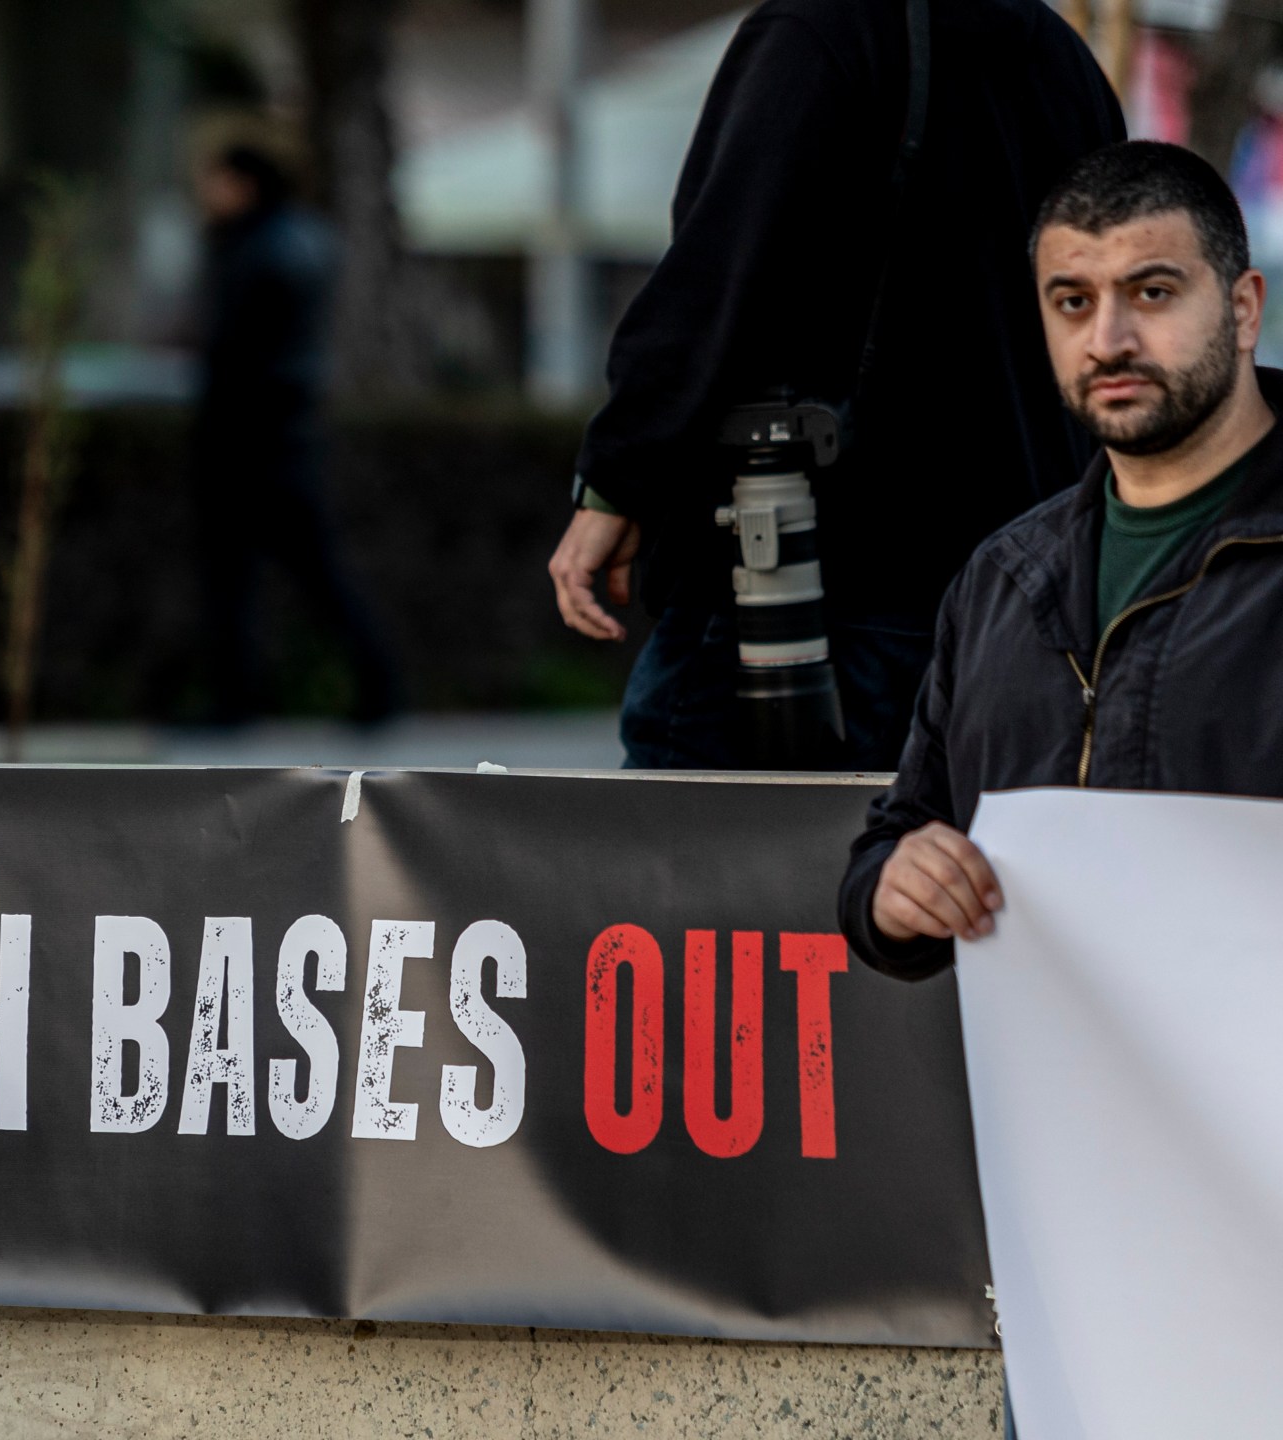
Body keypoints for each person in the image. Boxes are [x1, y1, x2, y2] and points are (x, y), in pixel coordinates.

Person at [841, 137, 1278, 1440]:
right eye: (1072, 301)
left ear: (1243, 306)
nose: (1110, 338)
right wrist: (894, 888)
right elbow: (895, 839)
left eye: (1153, 291)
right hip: (1082, 1250)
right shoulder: (1002, 580)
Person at [547, 0, 1125, 770]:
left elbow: (720, 279)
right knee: (924, 847)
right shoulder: (1061, 61)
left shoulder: (821, 30)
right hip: (1012, 600)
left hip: (798, 587)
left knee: (697, 840)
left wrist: (616, 483)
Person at [189, 143, 399, 725]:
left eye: (217, 181)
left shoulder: (255, 249)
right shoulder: (304, 239)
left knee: (240, 576)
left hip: (248, 435)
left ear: (244, 184)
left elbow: (235, 349)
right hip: (286, 434)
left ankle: (238, 700)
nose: (207, 194)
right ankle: (376, 683)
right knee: (312, 572)